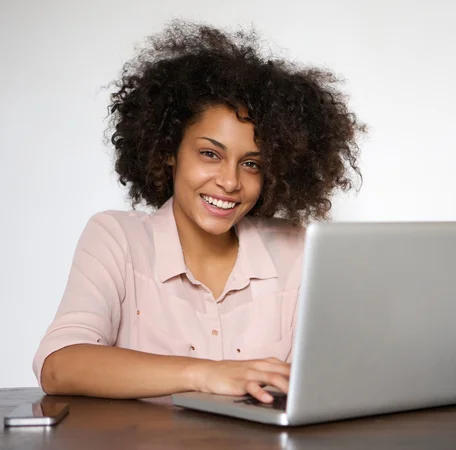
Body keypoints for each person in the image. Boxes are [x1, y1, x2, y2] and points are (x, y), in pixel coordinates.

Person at [33, 20, 364, 404]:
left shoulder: (296, 248)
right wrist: (206, 374)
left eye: (252, 163)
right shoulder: (117, 238)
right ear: (169, 151)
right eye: (210, 154)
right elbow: (58, 365)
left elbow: (339, 372)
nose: (229, 182)